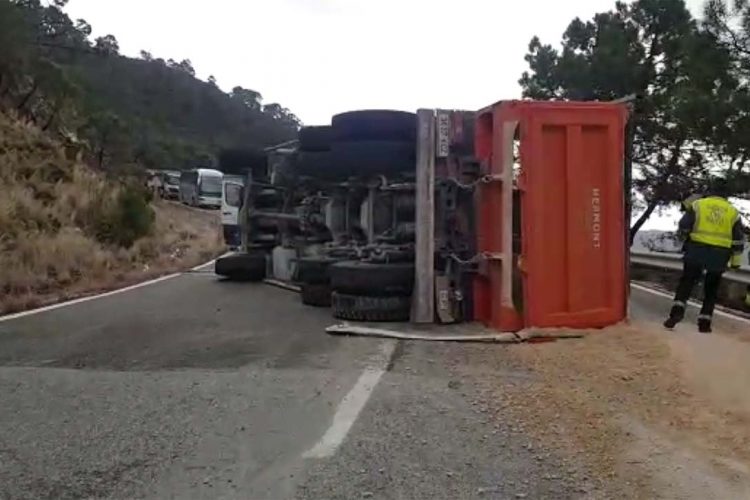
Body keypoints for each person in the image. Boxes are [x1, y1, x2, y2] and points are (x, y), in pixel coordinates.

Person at [664, 185, 745, 333]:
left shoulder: (698, 205)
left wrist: (684, 238)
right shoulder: (733, 212)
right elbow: (738, 239)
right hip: (720, 254)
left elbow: (684, 225)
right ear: (726, 196)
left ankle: (676, 312)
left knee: (687, 281)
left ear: (709, 192)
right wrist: (735, 262)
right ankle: (704, 322)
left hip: (696, 249)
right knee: (711, 288)